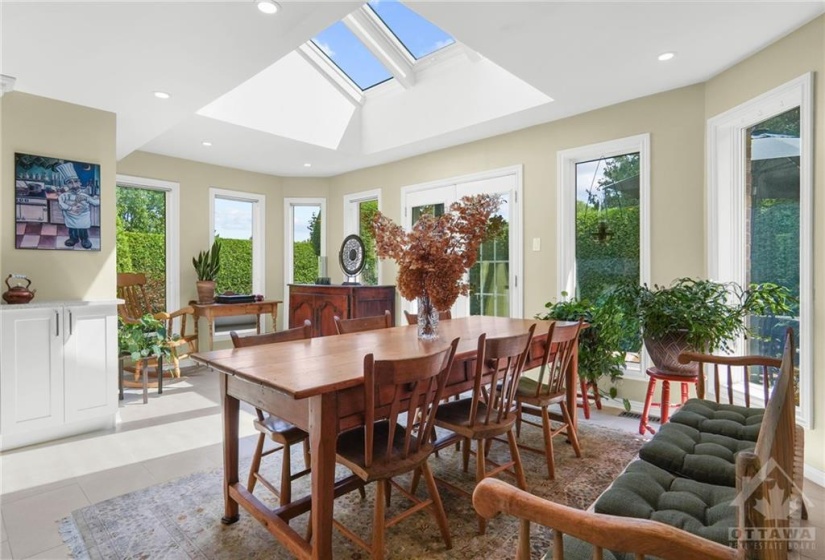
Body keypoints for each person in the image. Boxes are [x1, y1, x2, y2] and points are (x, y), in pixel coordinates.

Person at [56, 162, 99, 249]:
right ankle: (73, 239)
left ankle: (85, 240)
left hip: (83, 218)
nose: (74, 185)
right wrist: (71, 208)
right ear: (66, 185)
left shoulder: (85, 196)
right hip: (71, 218)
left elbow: (96, 203)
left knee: (83, 230)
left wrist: (91, 199)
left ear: (79, 183)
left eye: (76, 182)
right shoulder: (64, 196)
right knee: (72, 229)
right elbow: (61, 204)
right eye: (70, 183)